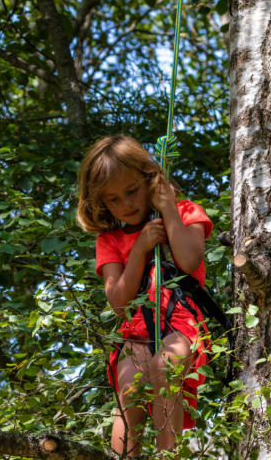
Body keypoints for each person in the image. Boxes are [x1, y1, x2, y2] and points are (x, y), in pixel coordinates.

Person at [77, 135, 212, 458]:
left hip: (180, 321)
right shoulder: (109, 240)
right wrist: (138, 250)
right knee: (130, 389)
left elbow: (190, 261)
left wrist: (168, 211)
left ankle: (168, 455)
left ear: (150, 180)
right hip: (136, 328)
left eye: (132, 191)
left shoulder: (183, 212)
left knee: (167, 368)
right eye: (113, 200)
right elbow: (119, 302)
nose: (126, 204)